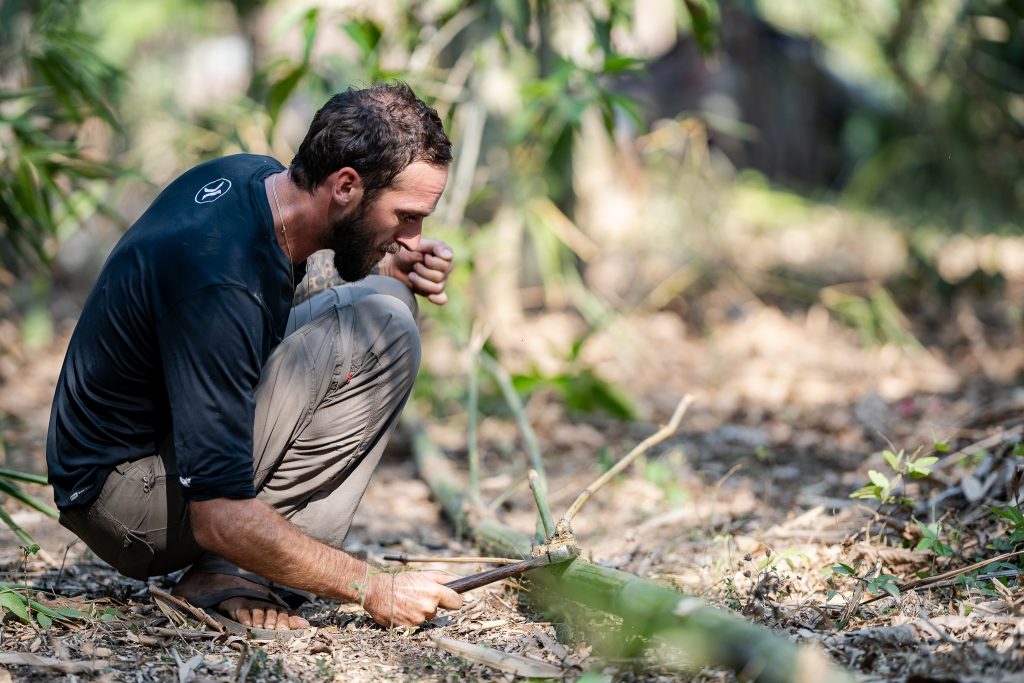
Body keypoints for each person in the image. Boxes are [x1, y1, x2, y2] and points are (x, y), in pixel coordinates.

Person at [46, 82, 464, 633]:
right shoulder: (218, 285)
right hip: (125, 502)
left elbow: (278, 280)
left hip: (152, 445)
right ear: (345, 186)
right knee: (383, 327)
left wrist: (388, 266)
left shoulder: (254, 181)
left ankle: (234, 568)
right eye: (407, 216)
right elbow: (218, 515)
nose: (413, 237)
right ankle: (235, 571)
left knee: (385, 301)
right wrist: (374, 588)